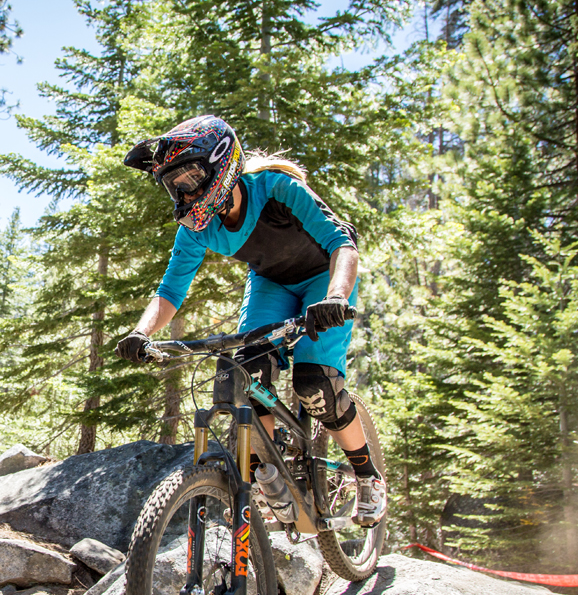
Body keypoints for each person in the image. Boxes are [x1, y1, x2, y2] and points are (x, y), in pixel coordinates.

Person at [116, 114, 386, 527]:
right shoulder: (196, 229)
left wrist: (335, 297)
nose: (184, 191)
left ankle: (367, 476)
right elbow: (170, 291)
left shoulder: (277, 190)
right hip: (272, 283)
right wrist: (141, 332)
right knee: (242, 376)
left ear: (221, 164)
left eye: (190, 177)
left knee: (315, 383)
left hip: (323, 279)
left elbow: (342, 243)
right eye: (175, 184)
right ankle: (270, 475)